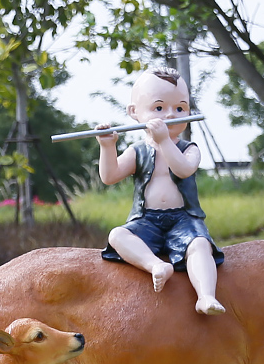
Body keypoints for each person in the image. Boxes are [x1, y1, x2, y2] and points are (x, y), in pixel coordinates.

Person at [95, 67, 225, 315]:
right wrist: (107, 146)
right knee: (117, 236)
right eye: (158, 108)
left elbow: (184, 169)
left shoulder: (189, 148)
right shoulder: (137, 150)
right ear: (134, 112)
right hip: (147, 220)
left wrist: (165, 140)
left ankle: (206, 296)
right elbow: (109, 176)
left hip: (183, 219)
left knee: (199, 245)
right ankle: (155, 266)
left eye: (179, 108)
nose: (169, 115)